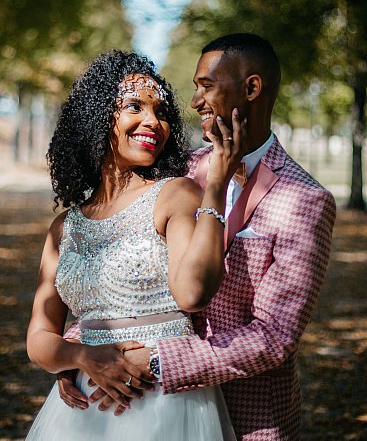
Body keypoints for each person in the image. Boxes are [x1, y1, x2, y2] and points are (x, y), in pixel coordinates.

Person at [58, 33, 337, 440]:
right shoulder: (174, 171)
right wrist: (81, 353)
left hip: (248, 416)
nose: (194, 103)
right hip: (141, 408)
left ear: (251, 88)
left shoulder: (305, 199)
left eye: (206, 86)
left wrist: (158, 362)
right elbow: (122, 268)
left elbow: (275, 337)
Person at [26, 49, 247, 440]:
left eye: (161, 112)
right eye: (134, 107)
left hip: (164, 404)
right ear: (96, 120)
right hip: (82, 411)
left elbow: (193, 293)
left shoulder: (175, 195)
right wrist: (81, 356)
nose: (153, 121)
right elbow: (39, 339)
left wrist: (214, 186)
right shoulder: (64, 227)